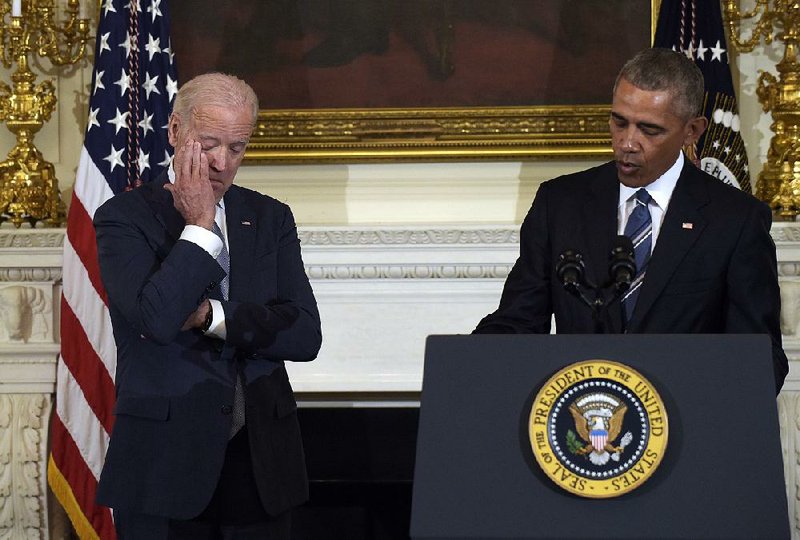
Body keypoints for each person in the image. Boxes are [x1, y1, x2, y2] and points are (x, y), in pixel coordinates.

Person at [473, 48, 788, 393]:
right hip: (582, 420)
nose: (627, 143)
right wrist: (464, 360)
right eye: (619, 121)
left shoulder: (735, 220)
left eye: (649, 130)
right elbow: (518, 322)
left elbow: (759, 356)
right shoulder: (560, 204)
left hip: (684, 426)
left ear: (692, 131)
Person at [94, 73, 322, 538]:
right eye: (209, 144)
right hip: (164, 466)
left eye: (237, 148)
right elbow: (156, 319)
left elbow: (304, 334)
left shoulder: (270, 217)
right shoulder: (123, 218)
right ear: (176, 131)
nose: (222, 162)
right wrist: (200, 225)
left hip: (261, 467)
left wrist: (211, 316)